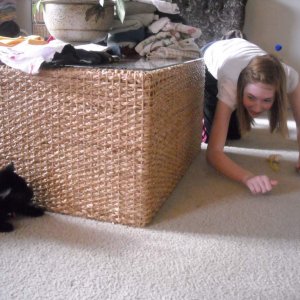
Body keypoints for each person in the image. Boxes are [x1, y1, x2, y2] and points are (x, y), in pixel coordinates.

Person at [202, 38, 300, 195]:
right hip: (210, 57)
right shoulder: (230, 85)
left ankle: (235, 36)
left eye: (267, 100)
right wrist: (247, 177)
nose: (257, 108)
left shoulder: (289, 77)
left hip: (239, 48)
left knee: (236, 131)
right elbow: (213, 153)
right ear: (241, 89)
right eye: (251, 97)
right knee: (220, 136)